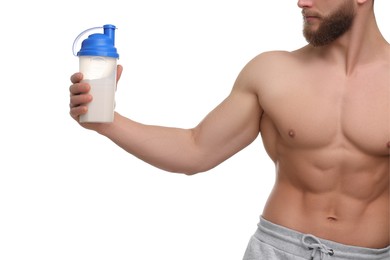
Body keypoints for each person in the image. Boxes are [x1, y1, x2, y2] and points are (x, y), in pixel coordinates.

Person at [69, 0, 389, 259]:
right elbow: (196, 149)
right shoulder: (273, 72)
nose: (301, 2)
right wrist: (108, 123)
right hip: (278, 250)